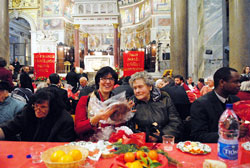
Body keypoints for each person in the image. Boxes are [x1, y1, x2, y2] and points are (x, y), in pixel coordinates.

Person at [190, 67, 248, 143]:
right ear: (222, 82)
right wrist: (229, 134)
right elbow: (198, 136)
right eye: (235, 82)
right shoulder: (201, 104)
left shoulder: (235, 100)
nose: (239, 85)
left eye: (239, 82)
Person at [75, 66, 133, 141]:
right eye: (104, 78)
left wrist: (123, 114)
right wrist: (96, 118)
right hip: (90, 144)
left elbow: (120, 128)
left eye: (111, 79)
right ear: (98, 81)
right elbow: (78, 129)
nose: (108, 82)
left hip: (111, 145)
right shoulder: (85, 100)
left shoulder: (118, 103)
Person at [0, 87, 76, 142]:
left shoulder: (65, 120)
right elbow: (12, 126)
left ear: (53, 107)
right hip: (29, 152)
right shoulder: (30, 110)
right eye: (36, 106)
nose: (37, 110)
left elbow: (62, 147)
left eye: (43, 107)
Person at [128, 71, 183, 142]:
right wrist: (126, 115)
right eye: (135, 88)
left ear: (150, 87)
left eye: (140, 87)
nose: (137, 91)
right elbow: (129, 128)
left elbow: (175, 122)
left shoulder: (164, 99)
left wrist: (161, 135)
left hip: (163, 141)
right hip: (142, 144)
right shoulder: (132, 103)